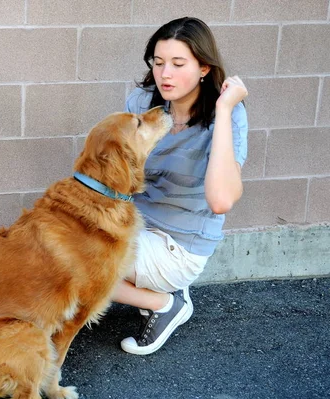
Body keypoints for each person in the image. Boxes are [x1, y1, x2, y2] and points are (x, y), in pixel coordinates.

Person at [113, 17, 249, 355]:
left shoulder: (227, 116)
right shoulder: (143, 103)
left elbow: (220, 201)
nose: (165, 74)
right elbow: (122, 173)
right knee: (53, 241)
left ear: (204, 67)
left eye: (177, 64)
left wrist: (224, 109)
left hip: (179, 245)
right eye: (158, 63)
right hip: (136, 224)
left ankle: (162, 303)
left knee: (73, 265)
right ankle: (162, 293)